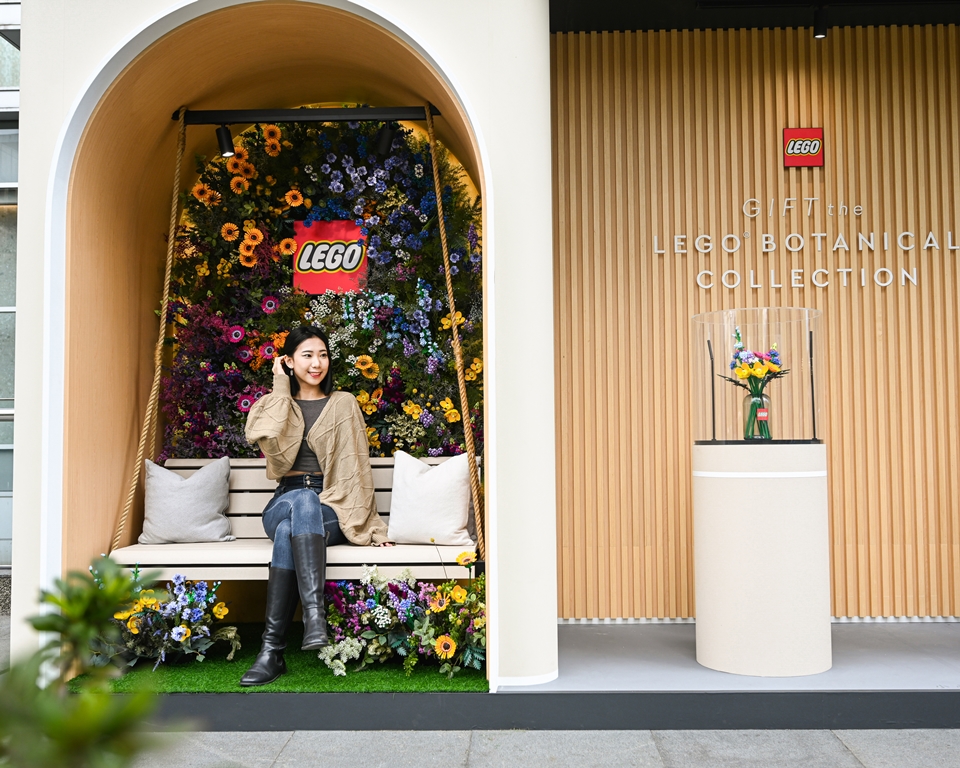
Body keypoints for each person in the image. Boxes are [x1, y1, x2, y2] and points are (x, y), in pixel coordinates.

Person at [239, 326, 393, 686]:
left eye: (322, 354)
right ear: (288, 361)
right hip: (284, 498)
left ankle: (271, 652)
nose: (316, 362)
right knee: (299, 502)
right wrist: (280, 387)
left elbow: (356, 468)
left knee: (287, 533)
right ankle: (314, 618)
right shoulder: (273, 404)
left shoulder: (343, 403)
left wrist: (370, 525)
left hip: (332, 505)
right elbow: (268, 440)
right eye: (307, 355)